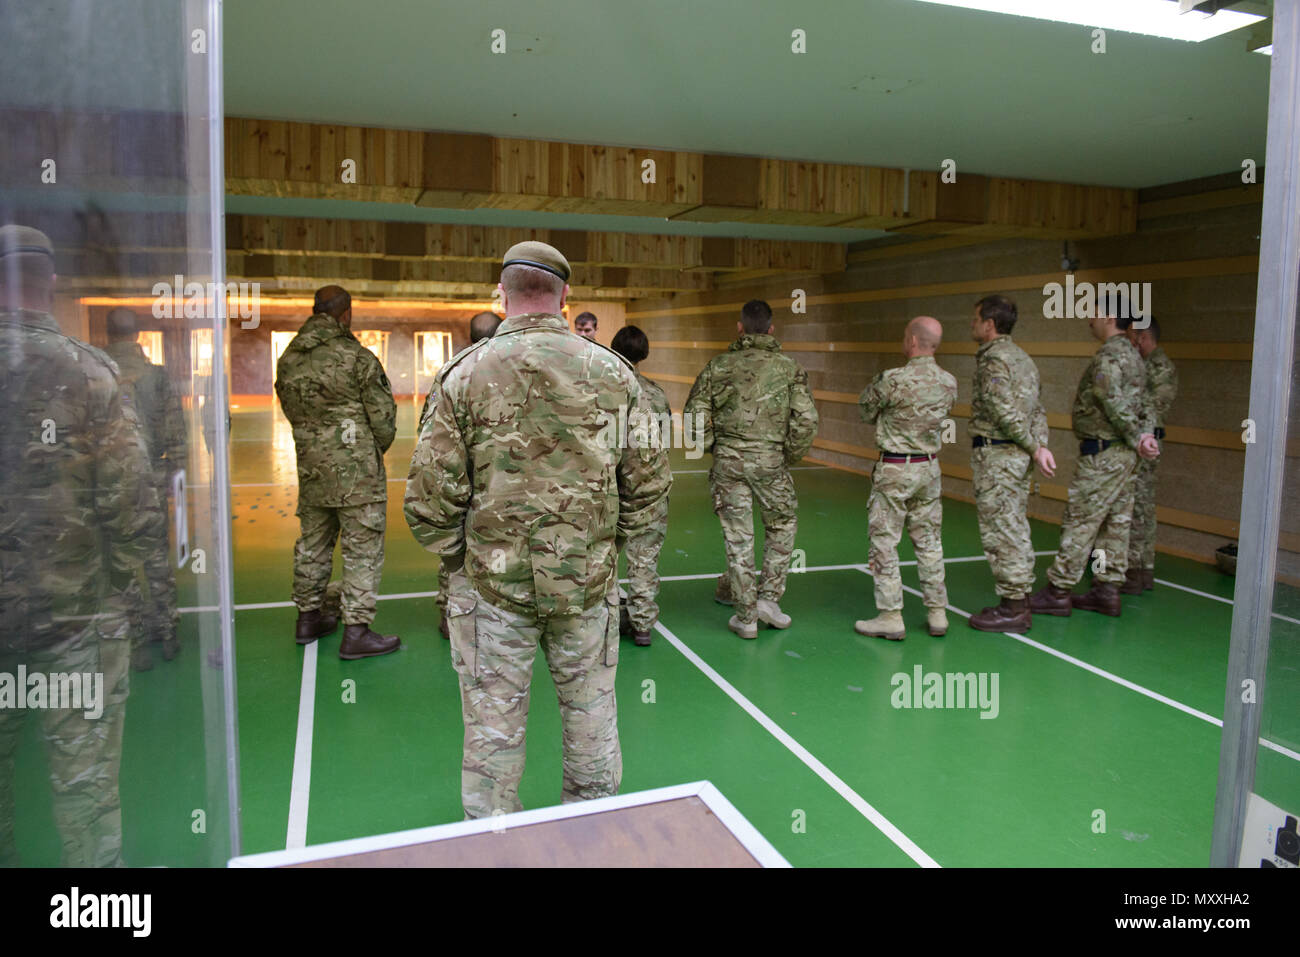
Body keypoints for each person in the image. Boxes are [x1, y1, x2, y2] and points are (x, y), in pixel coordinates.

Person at [404, 241, 671, 819]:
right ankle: (591, 844)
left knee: (491, 745)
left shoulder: (462, 375)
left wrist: (468, 559)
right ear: (566, 296)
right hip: (587, 591)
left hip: (492, 596)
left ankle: (494, 847)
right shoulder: (615, 375)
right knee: (592, 733)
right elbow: (649, 490)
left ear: (501, 295)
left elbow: (428, 504)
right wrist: (597, 548)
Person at [0, 224, 161, 866]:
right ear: (54, 284)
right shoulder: (90, 373)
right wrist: (116, 591)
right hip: (75, 621)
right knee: (87, 798)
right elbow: (131, 503)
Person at [275, 285, 401, 659]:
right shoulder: (356, 357)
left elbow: (290, 408)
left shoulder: (289, 359)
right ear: (345, 313)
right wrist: (368, 449)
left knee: (312, 544)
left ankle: (308, 617)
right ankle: (357, 631)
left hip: (312, 469)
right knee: (362, 549)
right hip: (357, 473)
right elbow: (383, 419)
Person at [684, 299, 818, 640]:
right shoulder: (790, 369)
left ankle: (745, 616)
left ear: (739, 328)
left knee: (738, 536)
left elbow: (694, 417)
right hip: (772, 461)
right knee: (782, 524)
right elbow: (806, 420)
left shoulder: (718, 366)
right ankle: (769, 601)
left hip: (729, 461)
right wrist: (789, 455)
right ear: (772, 330)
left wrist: (715, 446)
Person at [1029, 309, 1159, 618]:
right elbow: (1146, 404)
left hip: (1105, 453)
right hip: (1127, 456)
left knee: (1081, 520)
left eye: (1096, 313)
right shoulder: (1136, 357)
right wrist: (1143, 436)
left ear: (1111, 317)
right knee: (1116, 524)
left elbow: (1107, 395)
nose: (1091, 320)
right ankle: (1107, 589)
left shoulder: (1110, 355)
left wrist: (1136, 436)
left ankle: (1059, 590)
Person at [854, 316, 958, 641]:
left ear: (912, 341)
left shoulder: (891, 379)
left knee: (885, 541)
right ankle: (937, 612)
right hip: (929, 468)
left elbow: (865, 411)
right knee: (929, 540)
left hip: (895, 468)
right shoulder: (949, 382)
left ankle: (890, 615)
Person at [966, 296, 1056, 634]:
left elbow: (1002, 410)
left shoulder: (994, 361)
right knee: (1014, 527)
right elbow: (1038, 410)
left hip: (999, 456)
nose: (971, 324)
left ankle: (1014, 607)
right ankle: (1018, 600)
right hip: (1016, 456)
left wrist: (1034, 447)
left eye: (976, 319)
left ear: (989, 324)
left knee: (1002, 531)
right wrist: (1040, 445)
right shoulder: (1024, 360)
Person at [103, 307, 187, 670]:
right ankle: (166, 632)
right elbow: (175, 432)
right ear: (138, 335)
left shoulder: (95, 374)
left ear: (108, 334)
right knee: (155, 556)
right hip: (150, 475)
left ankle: (134, 639)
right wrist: (174, 475)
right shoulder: (156, 376)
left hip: (107, 482)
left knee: (119, 562)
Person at [423, 310, 502, 640]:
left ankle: (450, 613)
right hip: (500, 484)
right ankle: (497, 613)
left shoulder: (451, 375)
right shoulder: (513, 373)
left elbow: (428, 437)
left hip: (458, 481)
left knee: (454, 552)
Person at [610, 325, 671, 647]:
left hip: (609, 487)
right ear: (643, 354)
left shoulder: (602, 390)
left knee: (603, 556)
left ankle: (604, 620)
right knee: (644, 557)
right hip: (647, 487)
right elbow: (661, 443)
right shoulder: (657, 394)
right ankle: (643, 623)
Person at [1122, 317, 1177, 595]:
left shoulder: (1159, 367)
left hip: (1146, 442)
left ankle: (1136, 570)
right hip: (1143, 439)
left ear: (1144, 338)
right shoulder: (1149, 365)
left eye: (1134, 337)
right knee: (1142, 505)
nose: (1132, 343)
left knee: (1138, 506)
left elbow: (1152, 407)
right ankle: (1141, 569)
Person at [418, 311, 501, 434]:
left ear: (470, 336)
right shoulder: (521, 369)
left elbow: (427, 429)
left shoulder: (450, 373)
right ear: (500, 333)